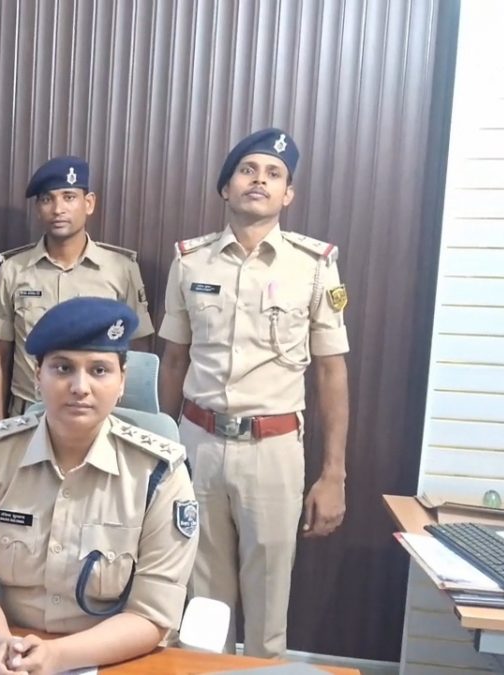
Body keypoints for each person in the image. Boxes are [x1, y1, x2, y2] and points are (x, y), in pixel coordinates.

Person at [156, 128, 350, 658]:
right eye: (247, 170)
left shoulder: (313, 265)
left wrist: (333, 474)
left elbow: (331, 372)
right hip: (197, 444)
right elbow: (173, 360)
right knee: (202, 607)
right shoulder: (190, 261)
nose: (259, 180)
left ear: (288, 194)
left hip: (273, 449)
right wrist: (163, 452)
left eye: (273, 173)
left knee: (268, 609)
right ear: (226, 187)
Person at [0, 297, 198, 675]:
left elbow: (151, 615)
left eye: (99, 370)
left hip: (114, 658)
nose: (80, 387)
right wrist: (4, 646)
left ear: (122, 381)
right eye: (63, 368)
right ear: (37, 375)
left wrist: (55, 657)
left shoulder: (159, 474)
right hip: (10, 650)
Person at [0, 156, 154, 421]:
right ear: (38, 208)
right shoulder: (13, 270)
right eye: (47, 199)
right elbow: (0, 355)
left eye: (69, 197)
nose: (58, 209)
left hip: (94, 414)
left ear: (89, 203)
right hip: (29, 412)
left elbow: (137, 348)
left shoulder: (120, 270)